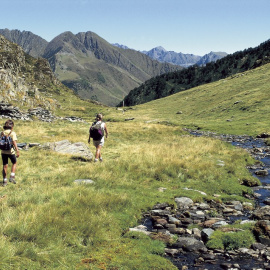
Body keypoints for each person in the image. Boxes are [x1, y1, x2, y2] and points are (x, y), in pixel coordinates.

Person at [1, 120, 20, 186]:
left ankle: (4, 181)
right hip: (10, 151)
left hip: (3, 152)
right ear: (12, 126)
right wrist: (17, 150)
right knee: (14, 162)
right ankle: (12, 176)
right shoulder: (12, 133)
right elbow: (14, 142)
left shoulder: (2, 132)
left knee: (5, 165)